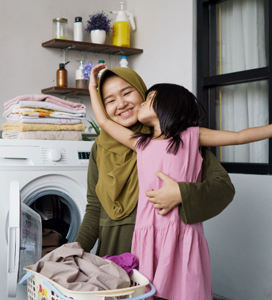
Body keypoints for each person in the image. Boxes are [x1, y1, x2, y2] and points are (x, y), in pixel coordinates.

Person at [87, 64, 272, 300]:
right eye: (110, 99)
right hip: (148, 234)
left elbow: (240, 136)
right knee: (148, 292)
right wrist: (92, 87)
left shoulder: (192, 136)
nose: (135, 104)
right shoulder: (140, 143)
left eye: (145, 99)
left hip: (181, 232)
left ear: (167, 104)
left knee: (187, 290)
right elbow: (103, 121)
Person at [75, 66, 235, 258]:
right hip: (114, 256)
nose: (121, 104)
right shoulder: (101, 148)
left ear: (145, 93)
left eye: (127, 92)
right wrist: (74, 251)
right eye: (109, 100)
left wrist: (182, 193)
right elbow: (94, 207)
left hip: (166, 256)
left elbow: (223, 188)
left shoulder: (176, 139)